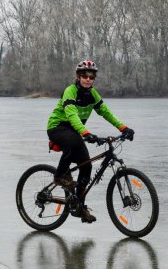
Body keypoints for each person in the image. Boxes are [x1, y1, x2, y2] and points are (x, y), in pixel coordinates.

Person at [46, 59, 135, 223]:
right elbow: (71, 114)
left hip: (75, 131)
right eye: (84, 76)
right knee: (73, 142)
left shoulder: (92, 94)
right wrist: (86, 133)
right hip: (57, 127)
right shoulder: (70, 91)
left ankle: (79, 206)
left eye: (91, 76)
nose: (88, 79)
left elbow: (106, 112)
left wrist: (123, 128)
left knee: (86, 167)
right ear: (78, 76)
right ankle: (59, 176)